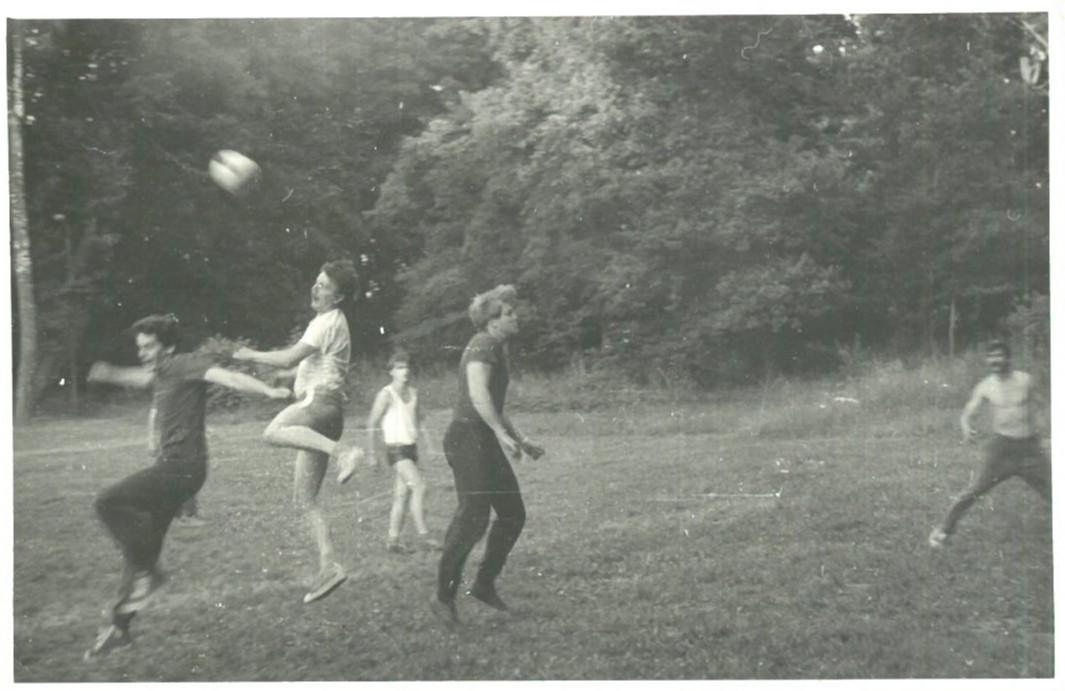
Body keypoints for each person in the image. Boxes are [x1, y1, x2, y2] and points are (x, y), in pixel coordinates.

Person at [84, 314, 291, 660]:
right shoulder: (161, 371)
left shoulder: (184, 364)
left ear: (168, 347)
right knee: (142, 550)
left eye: (149, 346)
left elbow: (228, 377)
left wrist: (268, 390)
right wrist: (111, 373)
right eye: (140, 347)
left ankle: (148, 573)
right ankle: (120, 628)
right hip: (172, 468)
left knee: (108, 503)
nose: (143, 353)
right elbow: (141, 377)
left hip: (183, 468)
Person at [232, 259, 364, 604]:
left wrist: (250, 354)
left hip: (318, 405)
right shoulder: (331, 322)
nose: (316, 289)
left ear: (338, 297)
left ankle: (344, 453)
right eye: (317, 282)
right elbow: (309, 363)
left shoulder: (327, 321)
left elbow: (289, 357)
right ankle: (329, 566)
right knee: (304, 499)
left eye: (324, 286)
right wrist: (286, 378)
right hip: (327, 412)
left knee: (273, 431)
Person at [430, 285, 545, 626]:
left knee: (512, 514)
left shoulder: (496, 347)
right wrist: (500, 433)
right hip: (467, 437)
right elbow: (478, 393)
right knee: (473, 516)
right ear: (492, 321)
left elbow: (494, 404)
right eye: (509, 313)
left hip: (481, 437)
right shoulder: (483, 343)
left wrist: (520, 439)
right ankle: (443, 596)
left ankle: (483, 585)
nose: (515, 317)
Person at [929, 339, 1051, 547]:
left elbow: (1043, 406)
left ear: (1008, 358)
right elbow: (968, 413)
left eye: (1000, 355)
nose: (995, 360)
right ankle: (942, 531)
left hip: (1030, 449)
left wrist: (1047, 435)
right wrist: (966, 427)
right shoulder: (985, 386)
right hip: (1001, 449)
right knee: (974, 490)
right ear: (987, 360)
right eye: (991, 356)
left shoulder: (1025, 381)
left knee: (1053, 489)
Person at [365, 349, 441, 553]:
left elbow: (420, 420)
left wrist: (430, 446)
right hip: (395, 450)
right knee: (419, 487)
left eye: (406, 367)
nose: (404, 371)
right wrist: (371, 453)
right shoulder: (386, 394)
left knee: (401, 495)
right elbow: (371, 423)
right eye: (399, 368)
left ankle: (393, 540)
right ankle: (424, 536)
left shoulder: (414, 393)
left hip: (411, 448)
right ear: (391, 372)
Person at [148, 405, 205, 527]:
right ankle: (184, 514)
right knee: (180, 474)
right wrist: (152, 440)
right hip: (172, 440)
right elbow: (154, 415)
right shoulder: (165, 396)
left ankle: (187, 512)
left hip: (181, 437)